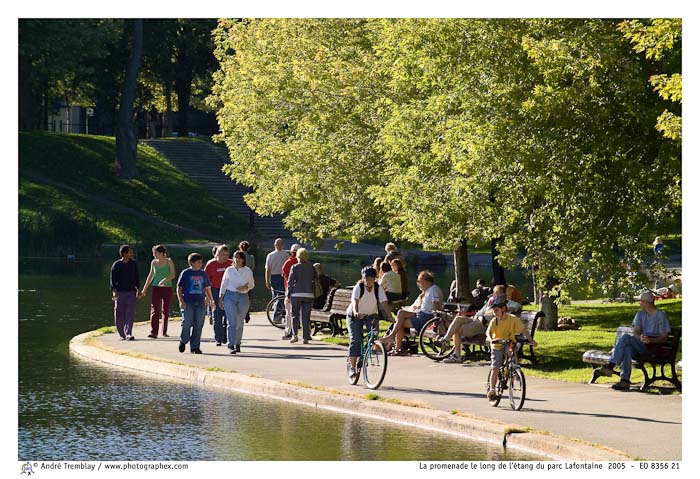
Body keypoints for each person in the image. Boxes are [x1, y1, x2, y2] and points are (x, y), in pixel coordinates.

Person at [595, 291, 671, 390]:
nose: (640, 303)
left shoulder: (661, 316)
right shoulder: (640, 314)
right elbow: (636, 332)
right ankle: (624, 381)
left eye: (641, 301)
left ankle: (610, 367)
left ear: (647, 303)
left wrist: (651, 340)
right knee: (627, 348)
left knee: (626, 338)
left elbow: (664, 337)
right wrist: (640, 337)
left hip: (654, 348)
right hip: (641, 344)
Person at [378, 270, 442, 355]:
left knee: (400, 321)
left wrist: (435, 320)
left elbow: (436, 305)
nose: (419, 283)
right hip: (422, 314)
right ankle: (395, 344)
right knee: (400, 315)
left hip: (426, 317)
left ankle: (394, 342)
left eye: (420, 281)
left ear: (426, 281)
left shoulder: (433, 290)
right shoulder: (429, 290)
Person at [346, 267, 393, 380]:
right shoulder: (359, 287)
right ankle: (352, 366)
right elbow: (355, 301)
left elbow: (384, 303)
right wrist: (356, 312)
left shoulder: (378, 288)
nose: (369, 281)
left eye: (371, 279)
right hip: (355, 315)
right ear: (363, 278)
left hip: (371, 314)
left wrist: (389, 316)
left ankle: (364, 356)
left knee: (374, 335)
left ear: (375, 279)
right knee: (356, 338)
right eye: (367, 278)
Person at [486, 299, 537, 400]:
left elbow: (523, 330)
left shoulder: (512, 319)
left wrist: (531, 340)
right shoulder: (494, 321)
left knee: (511, 351)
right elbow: (488, 332)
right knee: (496, 366)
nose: (494, 313)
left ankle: (513, 369)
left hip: (508, 342)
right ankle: (492, 389)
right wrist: (492, 340)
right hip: (497, 344)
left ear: (503, 309)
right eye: (494, 311)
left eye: (496, 310)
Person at [177, 253, 215, 354]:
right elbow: (179, 288)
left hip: (200, 302)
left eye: (201, 262)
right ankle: (183, 340)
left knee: (199, 324)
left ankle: (195, 347)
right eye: (198, 262)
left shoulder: (203, 274)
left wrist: (211, 300)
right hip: (188, 302)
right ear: (192, 263)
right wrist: (181, 301)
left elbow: (207, 287)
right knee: (187, 323)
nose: (200, 264)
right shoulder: (185, 273)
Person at [219, 251, 255, 354]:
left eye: (239, 258)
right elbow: (224, 283)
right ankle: (231, 345)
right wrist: (220, 298)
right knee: (232, 321)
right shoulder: (229, 270)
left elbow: (252, 284)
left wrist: (245, 287)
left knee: (240, 321)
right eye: (235, 258)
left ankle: (237, 343)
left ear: (243, 259)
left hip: (243, 296)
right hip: (230, 296)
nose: (237, 260)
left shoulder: (247, 271)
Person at [140, 245, 176, 339]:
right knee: (155, 309)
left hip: (167, 288)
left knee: (165, 310)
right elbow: (150, 276)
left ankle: (164, 331)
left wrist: (164, 280)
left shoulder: (169, 261)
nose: (154, 255)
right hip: (156, 288)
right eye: (153, 253)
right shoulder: (154, 262)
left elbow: (173, 274)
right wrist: (144, 290)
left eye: (155, 253)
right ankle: (154, 332)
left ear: (161, 253)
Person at [110, 245, 141, 340]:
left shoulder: (133, 264)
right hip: (120, 292)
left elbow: (136, 277)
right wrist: (114, 291)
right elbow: (112, 279)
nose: (132, 253)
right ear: (124, 253)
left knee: (130, 313)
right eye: (130, 252)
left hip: (131, 292)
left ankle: (128, 333)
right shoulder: (117, 264)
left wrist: (138, 289)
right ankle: (121, 334)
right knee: (119, 313)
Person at [204, 245, 233, 346]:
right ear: (217, 254)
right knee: (217, 315)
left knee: (228, 315)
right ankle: (218, 338)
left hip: (228, 290)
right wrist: (207, 297)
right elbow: (205, 282)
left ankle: (225, 335)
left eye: (227, 255)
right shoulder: (211, 264)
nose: (225, 257)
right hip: (215, 290)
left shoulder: (231, 263)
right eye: (223, 255)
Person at [286, 248, 316, 344]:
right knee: (305, 316)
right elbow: (314, 279)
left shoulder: (294, 267)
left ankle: (295, 335)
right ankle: (305, 337)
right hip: (309, 294)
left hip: (296, 293)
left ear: (297, 257)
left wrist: (288, 294)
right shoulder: (311, 267)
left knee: (295, 315)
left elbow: (290, 282)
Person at [265, 238, 289, 327]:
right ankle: (278, 315)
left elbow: (268, 269)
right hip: (282, 277)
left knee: (275, 296)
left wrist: (267, 280)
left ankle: (276, 315)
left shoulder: (270, 255)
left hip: (274, 276)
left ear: (274, 245)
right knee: (280, 297)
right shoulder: (286, 255)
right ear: (282, 245)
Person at [281, 244, 301, 339]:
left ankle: (289, 332)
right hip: (301, 290)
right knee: (299, 312)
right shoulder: (304, 262)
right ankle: (300, 331)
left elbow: (284, 275)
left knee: (289, 312)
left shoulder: (288, 262)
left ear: (291, 252)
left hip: (290, 290)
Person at [238, 241, 255, 323]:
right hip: (247, 280)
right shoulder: (251, 257)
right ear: (248, 248)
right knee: (247, 298)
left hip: (238, 280)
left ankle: (240, 314)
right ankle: (247, 314)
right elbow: (252, 268)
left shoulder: (237, 257)